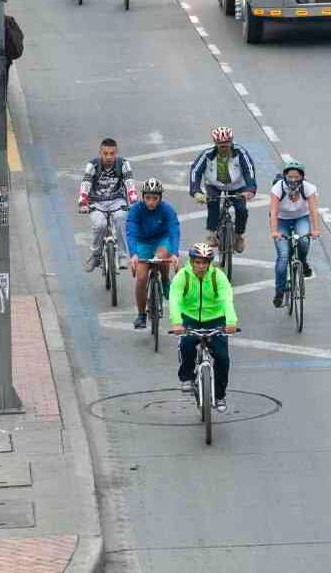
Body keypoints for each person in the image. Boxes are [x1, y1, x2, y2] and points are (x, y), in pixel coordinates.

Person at [170, 242, 237, 413]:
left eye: (205, 262)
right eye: (197, 262)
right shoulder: (182, 277)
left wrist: (230, 322)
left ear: (210, 263)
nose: (201, 266)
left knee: (223, 358)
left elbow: (226, 299)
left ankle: (220, 395)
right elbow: (175, 300)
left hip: (215, 319)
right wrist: (177, 322)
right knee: (186, 344)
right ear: (191, 261)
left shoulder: (218, 277)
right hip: (190, 318)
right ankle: (186, 377)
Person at [189, 126, 257, 254]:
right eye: (221, 145)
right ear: (216, 144)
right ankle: (212, 233)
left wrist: (250, 189)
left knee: (241, 209)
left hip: (237, 185)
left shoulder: (240, 152)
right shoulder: (207, 154)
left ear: (231, 142)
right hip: (214, 184)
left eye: (226, 145)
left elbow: (249, 171)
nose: (224, 148)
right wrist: (196, 191)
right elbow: (195, 171)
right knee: (213, 203)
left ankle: (238, 236)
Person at [126, 178, 180, 329]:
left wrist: (175, 253)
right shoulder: (135, 210)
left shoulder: (167, 210)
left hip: (160, 240)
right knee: (142, 277)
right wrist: (134, 254)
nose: (151, 202)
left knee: (160, 256)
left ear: (160, 198)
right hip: (142, 242)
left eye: (155, 198)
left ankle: (164, 279)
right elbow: (131, 233)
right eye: (147, 198)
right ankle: (141, 315)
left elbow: (174, 231)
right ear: (142, 197)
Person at [79, 137, 138, 272]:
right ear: (100, 153)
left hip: (117, 200)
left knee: (120, 219)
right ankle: (95, 255)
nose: (109, 157)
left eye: (112, 154)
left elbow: (130, 184)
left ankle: (123, 256)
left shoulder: (123, 164)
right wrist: (83, 202)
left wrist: (133, 201)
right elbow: (86, 184)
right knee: (99, 225)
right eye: (105, 153)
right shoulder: (92, 165)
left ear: (116, 153)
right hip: (97, 202)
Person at [269, 160, 320, 308]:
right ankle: (279, 292)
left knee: (304, 241)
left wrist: (316, 230)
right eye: (290, 176)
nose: (293, 179)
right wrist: (274, 231)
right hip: (281, 220)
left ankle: (303, 262)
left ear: (302, 177)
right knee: (283, 256)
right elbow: (273, 211)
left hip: (300, 218)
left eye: (296, 176)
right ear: (285, 176)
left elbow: (313, 210)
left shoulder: (308, 188)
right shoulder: (277, 188)